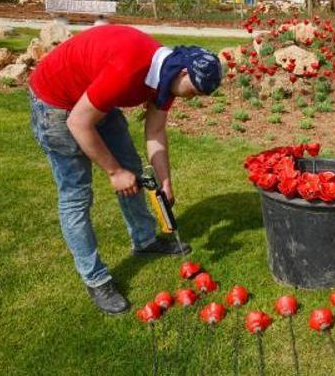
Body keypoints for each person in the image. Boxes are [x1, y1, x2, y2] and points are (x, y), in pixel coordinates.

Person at [28, 25, 223, 315]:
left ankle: (144, 240)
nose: (191, 99)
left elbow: (155, 131)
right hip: (57, 103)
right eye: (193, 92)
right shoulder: (128, 69)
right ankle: (95, 278)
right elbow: (78, 123)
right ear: (184, 73)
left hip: (94, 95)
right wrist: (113, 172)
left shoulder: (167, 74)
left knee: (132, 167)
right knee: (76, 195)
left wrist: (166, 182)